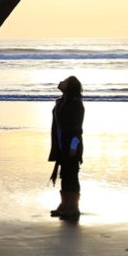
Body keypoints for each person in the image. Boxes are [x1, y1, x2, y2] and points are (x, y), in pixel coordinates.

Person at [48, 75, 84, 219]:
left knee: (72, 176)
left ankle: (73, 207)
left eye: (65, 81)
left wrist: (73, 146)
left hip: (71, 144)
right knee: (64, 175)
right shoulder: (63, 102)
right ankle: (64, 205)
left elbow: (77, 128)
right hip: (62, 143)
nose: (60, 82)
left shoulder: (75, 103)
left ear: (70, 86)